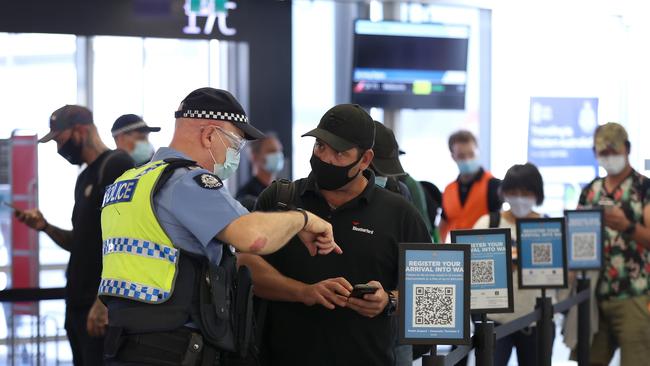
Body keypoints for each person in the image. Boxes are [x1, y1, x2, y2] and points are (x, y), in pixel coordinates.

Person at [98, 87, 342, 365]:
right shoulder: (186, 182)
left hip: (123, 344)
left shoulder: (130, 181)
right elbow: (253, 238)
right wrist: (304, 219)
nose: (236, 154)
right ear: (209, 135)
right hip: (173, 347)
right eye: (236, 143)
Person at [237, 104, 432, 366]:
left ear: (365, 159)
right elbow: (245, 266)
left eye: (339, 152)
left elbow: (433, 293)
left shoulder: (400, 214)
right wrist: (304, 292)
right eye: (320, 146)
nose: (326, 158)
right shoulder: (280, 200)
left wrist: (390, 300)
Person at [14, 105, 135, 365]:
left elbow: (125, 241)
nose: (59, 149)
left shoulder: (118, 165)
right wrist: (45, 226)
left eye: (60, 139)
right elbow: (81, 243)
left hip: (99, 307)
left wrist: (103, 302)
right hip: (76, 305)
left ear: (80, 131)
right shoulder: (84, 179)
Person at [577, 123, 650, 366]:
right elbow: (574, 235)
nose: (608, 158)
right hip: (595, 293)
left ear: (627, 149)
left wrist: (627, 226)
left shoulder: (643, 188)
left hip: (635, 294)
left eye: (613, 151)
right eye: (602, 153)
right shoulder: (591, 191)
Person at [473, 163, 553, 366]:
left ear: (536, 193)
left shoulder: (549, 227)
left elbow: (561, 273)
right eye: (513, 191)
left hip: (536, 319)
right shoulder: (487, 223)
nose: (519, 197)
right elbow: (471, 269)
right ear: (504, 192)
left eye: (525, 192)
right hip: (494, 321)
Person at [440, 130, 502, 241]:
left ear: (477, 152)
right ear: (453, 157)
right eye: (461, 156)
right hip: (457, 252)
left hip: (485, 251)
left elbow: (502, 222)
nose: (467, 160)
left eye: (471, 154)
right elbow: (444, 223)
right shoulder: (449, 190)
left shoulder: (493, 185)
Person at [236, 132, 284, 210]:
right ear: (255, 157)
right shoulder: (246, 196)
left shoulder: (286, 188)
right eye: (271, 151)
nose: (278, 155)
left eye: (279, 150)